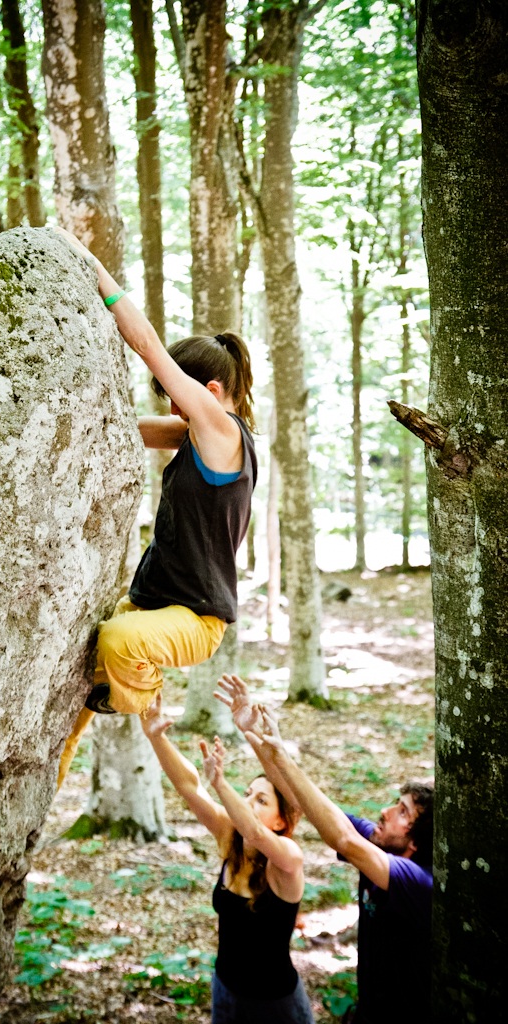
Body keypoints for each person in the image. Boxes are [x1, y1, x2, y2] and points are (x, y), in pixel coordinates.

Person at [55, 227, 257, 785]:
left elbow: (147, 344)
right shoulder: (197, 434)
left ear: (211, 392)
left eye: (177, 394)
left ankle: (139, 697)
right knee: (86, 679)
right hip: (152, 604)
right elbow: (133, 427)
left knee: (119, 641)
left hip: (195, 619)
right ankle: (60, 763)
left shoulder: (220, 429)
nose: (172, 405)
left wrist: (97, 272)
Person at [215, 675, 433, 1024]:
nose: (386, 812)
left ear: (416, 842)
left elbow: (343, 840)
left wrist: (280, 756)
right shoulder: (379, 843)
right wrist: (255, 737)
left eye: (402, 812)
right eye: (396, 803)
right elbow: (304, 802)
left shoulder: (415, 881)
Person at [141, 693, 315, 1024]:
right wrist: (156, 736)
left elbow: (258, 835)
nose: (248, 801)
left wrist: (221, 784)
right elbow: (189, 787)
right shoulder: (229, 835)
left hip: (275, 1005)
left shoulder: (287, 859)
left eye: (261, 800)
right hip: (226, 991)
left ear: (281, 821)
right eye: (247, 793)